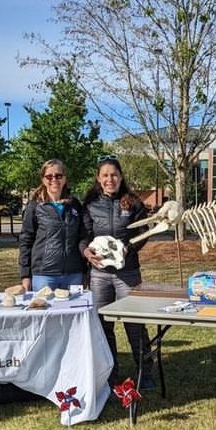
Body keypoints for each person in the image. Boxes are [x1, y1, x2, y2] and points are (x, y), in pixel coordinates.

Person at [82, 155, 156, 391]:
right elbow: (83, 235)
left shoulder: (133, 203)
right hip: (99, 275)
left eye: (113, 174)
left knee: (134, 323)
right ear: (98, 178)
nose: (109, 179)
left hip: (128, 273)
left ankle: (146, 373)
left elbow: (144, 232)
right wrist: (85, 252)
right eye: (105, 175)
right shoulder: (91, 204)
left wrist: (128, 248)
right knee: (103, 324)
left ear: (121, 176)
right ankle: (110, 373)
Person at [18, 159, 87, 291]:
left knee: (74, 311)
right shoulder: (35, 206)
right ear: (43, 180)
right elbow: (26, 241)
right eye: (49, 176)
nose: (54, 179)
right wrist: (25, 275)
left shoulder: (75, 205)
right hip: (44, 275)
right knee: (44, 311)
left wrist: (84, 270)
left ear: (65, 178)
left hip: (73, 274)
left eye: (58, 176)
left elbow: (82, 237)